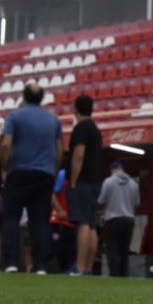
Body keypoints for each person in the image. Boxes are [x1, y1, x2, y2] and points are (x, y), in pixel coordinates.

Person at [0, 84, 62, 273]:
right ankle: (41, 265)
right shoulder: (53, 120)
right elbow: (58, 150)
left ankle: (11, 263)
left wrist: (4, 166)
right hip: (44, 174)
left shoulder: (15, 116)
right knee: (40, 221)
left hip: (19, 172)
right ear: (42, 98)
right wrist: (53, 171)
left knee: (11, 219)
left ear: (23, 96)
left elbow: (6, 144)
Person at [66, 95, 104, 276]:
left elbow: (78, 154)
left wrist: (73, 179)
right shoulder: (95, 129)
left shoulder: (81, 128)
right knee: (91, 224)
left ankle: (79, 267)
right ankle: (88, 267)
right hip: (95, 180)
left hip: (83, 181)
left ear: (76, 109)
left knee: (82, 223)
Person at [98, 161, 139, 277]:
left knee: (112, 248)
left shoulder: (108, 182)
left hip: (113, 219)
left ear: (112, 170)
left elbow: (101, 200)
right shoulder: (133, 184)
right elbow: (137, 202)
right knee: (124, 250)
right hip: (129, 220)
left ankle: (114, 275)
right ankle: (124, 275)